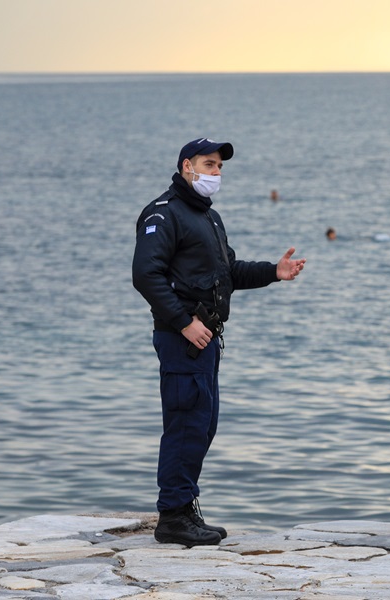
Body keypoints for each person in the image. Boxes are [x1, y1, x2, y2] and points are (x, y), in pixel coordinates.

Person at [132, 137, 306, 547]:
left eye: (220, 167)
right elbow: (146, 275)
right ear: (186, 165)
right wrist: (182, 322)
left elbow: (228, 273)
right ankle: (172, 516)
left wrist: (272, 272)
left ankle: (184, 507)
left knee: (203, 424)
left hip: (207, 339)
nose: (216, 173)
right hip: (182, 339)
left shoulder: (208, 217)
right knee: (185, 423)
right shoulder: (163, 214)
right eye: (209, 165)